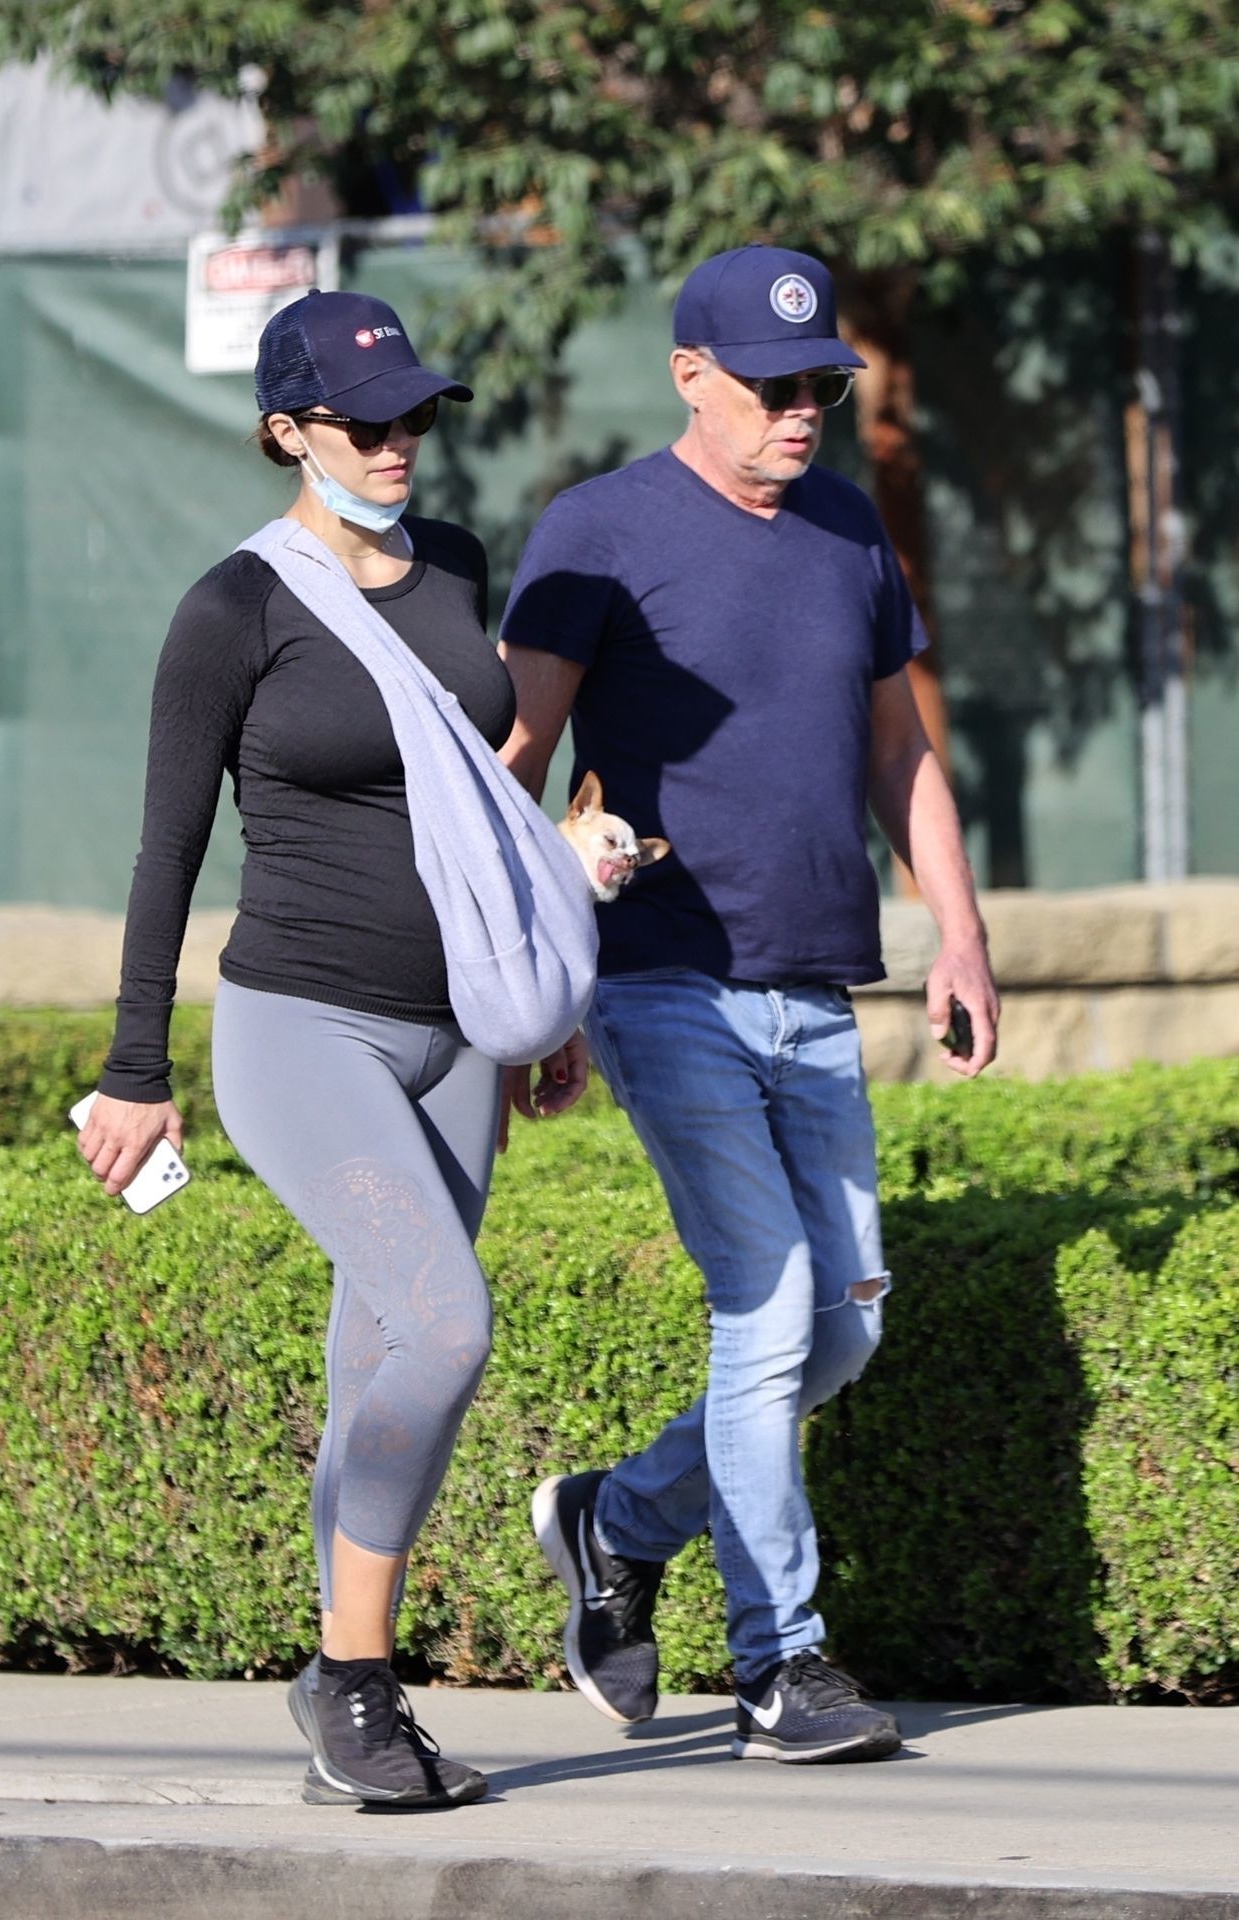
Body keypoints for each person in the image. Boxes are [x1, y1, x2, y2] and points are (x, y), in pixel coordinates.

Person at [78, 288, 586, 1810]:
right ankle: (350, 1678)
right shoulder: (232, 608)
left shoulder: (460, 570)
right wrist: (137, 1069)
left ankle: (351, 1703)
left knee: (382, 1360)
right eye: (361, 423)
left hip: (457, 1034)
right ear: (287, 431)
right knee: (447, 1329)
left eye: (412, 414)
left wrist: (540, 1009)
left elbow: (487, 803)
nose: (394, 443)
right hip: (301, 1024)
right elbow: (167, 850)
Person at [498, 245, 1000, 1765]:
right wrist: (532, 987)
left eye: (819, 388)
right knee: (767, 1310)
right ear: (689, 377)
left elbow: (899, 750)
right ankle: (780, 1660)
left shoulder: (847, 530)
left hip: (815, 986)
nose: (799, 412)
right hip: (662, 981)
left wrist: (961, 933)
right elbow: (511, 767)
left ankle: (618, 1518)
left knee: (843, 1331)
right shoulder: (597, 530)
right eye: (771, 387)